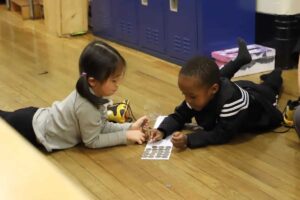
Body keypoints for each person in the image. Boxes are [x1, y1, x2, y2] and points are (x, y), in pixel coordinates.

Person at [0, 40, 148, 152]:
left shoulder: (93, 95)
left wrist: (130, 127)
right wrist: (126, 136)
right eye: (113, 80)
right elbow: (93, 141)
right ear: (92, 81)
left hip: (35, 118)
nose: (117, 85)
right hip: (31, 129)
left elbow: (100, 126)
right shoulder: (86, 105)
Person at [150, 39, 283, 149]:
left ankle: (278, 71)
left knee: (270, 87)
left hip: (261, 103)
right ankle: (240, 59)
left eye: (191, 96)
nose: (187, 100)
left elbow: (222, 134)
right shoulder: (195, 96)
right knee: (216, 77)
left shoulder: (231, 101)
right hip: (234, 88)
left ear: (213, 89)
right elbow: (179, 115)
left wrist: (188, 139)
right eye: (184, 94)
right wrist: (162, 130)